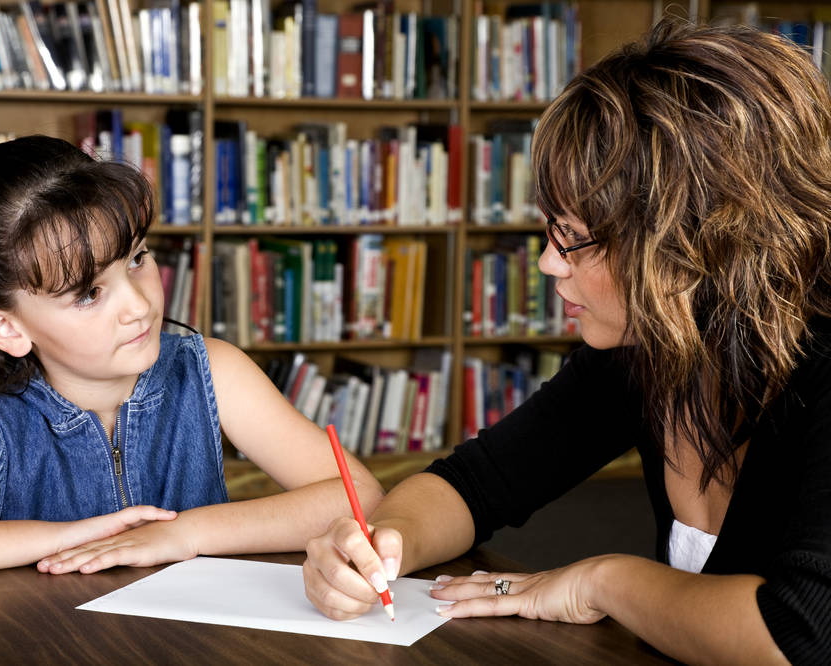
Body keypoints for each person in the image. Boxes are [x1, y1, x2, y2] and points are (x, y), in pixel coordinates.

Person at [302, 19, 831, 664]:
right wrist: (381, 545)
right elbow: (474, 483)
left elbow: (795, 637)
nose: (550, 264)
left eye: (575, 237)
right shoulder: (647, 351)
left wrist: (601, 581)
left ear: (692, 239)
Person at [0, 135, 383, 585]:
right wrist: (67, 536)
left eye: (138, 258)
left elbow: (360, 496)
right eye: (89, 293)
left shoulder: (212, 370)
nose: (139, 305)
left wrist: (185, 534)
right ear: (9, 328)